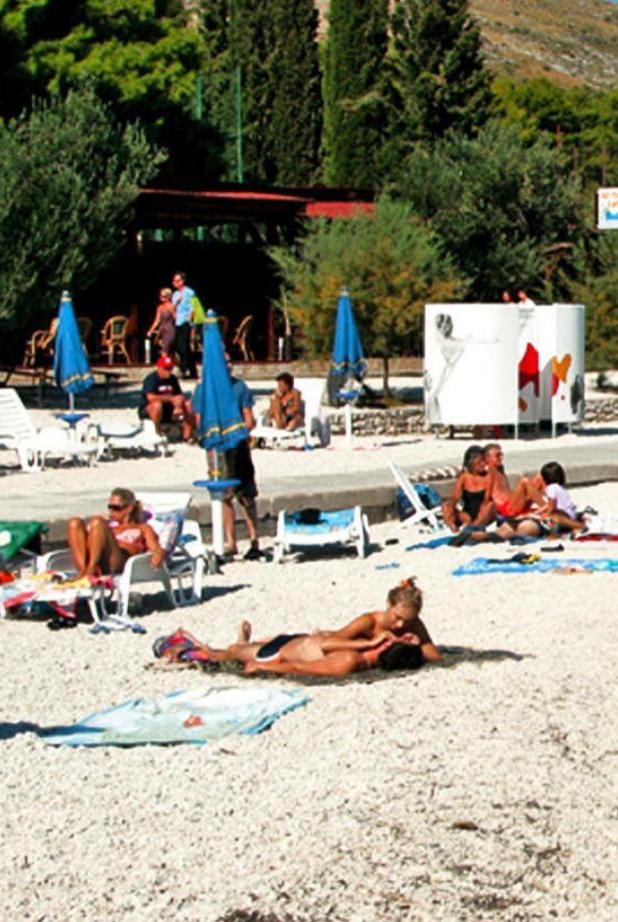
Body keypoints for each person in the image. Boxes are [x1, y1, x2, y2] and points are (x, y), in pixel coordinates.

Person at [160, 579, 438, 677]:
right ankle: (192, 645)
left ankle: (245, 642)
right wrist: (369, 641)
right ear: (388, 604)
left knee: (244, 650)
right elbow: (330, 643)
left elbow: (434, 655)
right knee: (225, 654)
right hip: (287, 648)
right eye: (397, 618)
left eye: (406, 622)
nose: (400, 626)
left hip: (300, 645)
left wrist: (417, 644)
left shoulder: (409, 628)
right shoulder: (370, 623)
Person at [212, 372, 263, 561]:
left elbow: (250, 420)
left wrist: (236, 434)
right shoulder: (206, 390)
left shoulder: (239, 387)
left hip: (238, 446)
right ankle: (230, 542)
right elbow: (200, 420)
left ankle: (254, 540)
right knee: (225, 495)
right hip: (218, 448)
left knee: (246, 495)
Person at [65, 487, 162, 582]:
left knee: (97, 522)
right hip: (99, 561)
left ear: (129, 509)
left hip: (119, 563)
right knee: (74, 522)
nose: (111, 511)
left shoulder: (143, 528)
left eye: (115, 508)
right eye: (109, 507)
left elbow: (155, 548)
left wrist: (160, 554)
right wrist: (94, 525)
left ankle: (90, 570)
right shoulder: (109, 527)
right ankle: (83, 570)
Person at [141, 355, 197, 442]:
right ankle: (158, 431)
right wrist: (171, 399)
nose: (169, 371)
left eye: (170, 368)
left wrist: (178, 406)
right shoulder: (151, 379)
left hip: (169, 408)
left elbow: (179, 395)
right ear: (159, 368)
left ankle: (187, 435)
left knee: (188, 404)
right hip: (152, 408)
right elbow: (150, 397)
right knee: (157, 405)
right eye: (166, 368)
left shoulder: (173, 379)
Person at [445, 445, 493, 531]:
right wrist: (450, 513)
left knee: (490, 505)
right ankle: (453, 528)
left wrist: (479, 518)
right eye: (480, 462)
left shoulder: (488, 477)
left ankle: (473, 527)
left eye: (484, 461)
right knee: (446, 505)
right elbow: (454, 498)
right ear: (471, 463)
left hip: (484, 514)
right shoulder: (464, 477)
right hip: (467, 515)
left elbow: (486, 500)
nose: (483, 464)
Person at [169, 273, 200, 370]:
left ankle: (183, 367)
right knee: (178, 345)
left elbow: (194, 306)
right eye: (174, 281)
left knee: (183, 344)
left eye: (177, 281)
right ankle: (192, 368)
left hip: (186, 321)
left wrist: (190, 317)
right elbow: (173, 308)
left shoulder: (189, 292)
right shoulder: (175, 294)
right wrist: (176, 303)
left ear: (182, 281)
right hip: (177, 322)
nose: (175, 283)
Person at [145, 287, 175, 367]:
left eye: (164, 296)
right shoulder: (160, 307)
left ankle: (164, 366)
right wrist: (151, 330)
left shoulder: (171, 306)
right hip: (162, 330)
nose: (161, 298)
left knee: (165, 349)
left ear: (168, 297)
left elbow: (176, 318)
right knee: (164, 350)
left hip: (170, 330)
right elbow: (157, 320)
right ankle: (167, 365)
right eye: (161, 296)